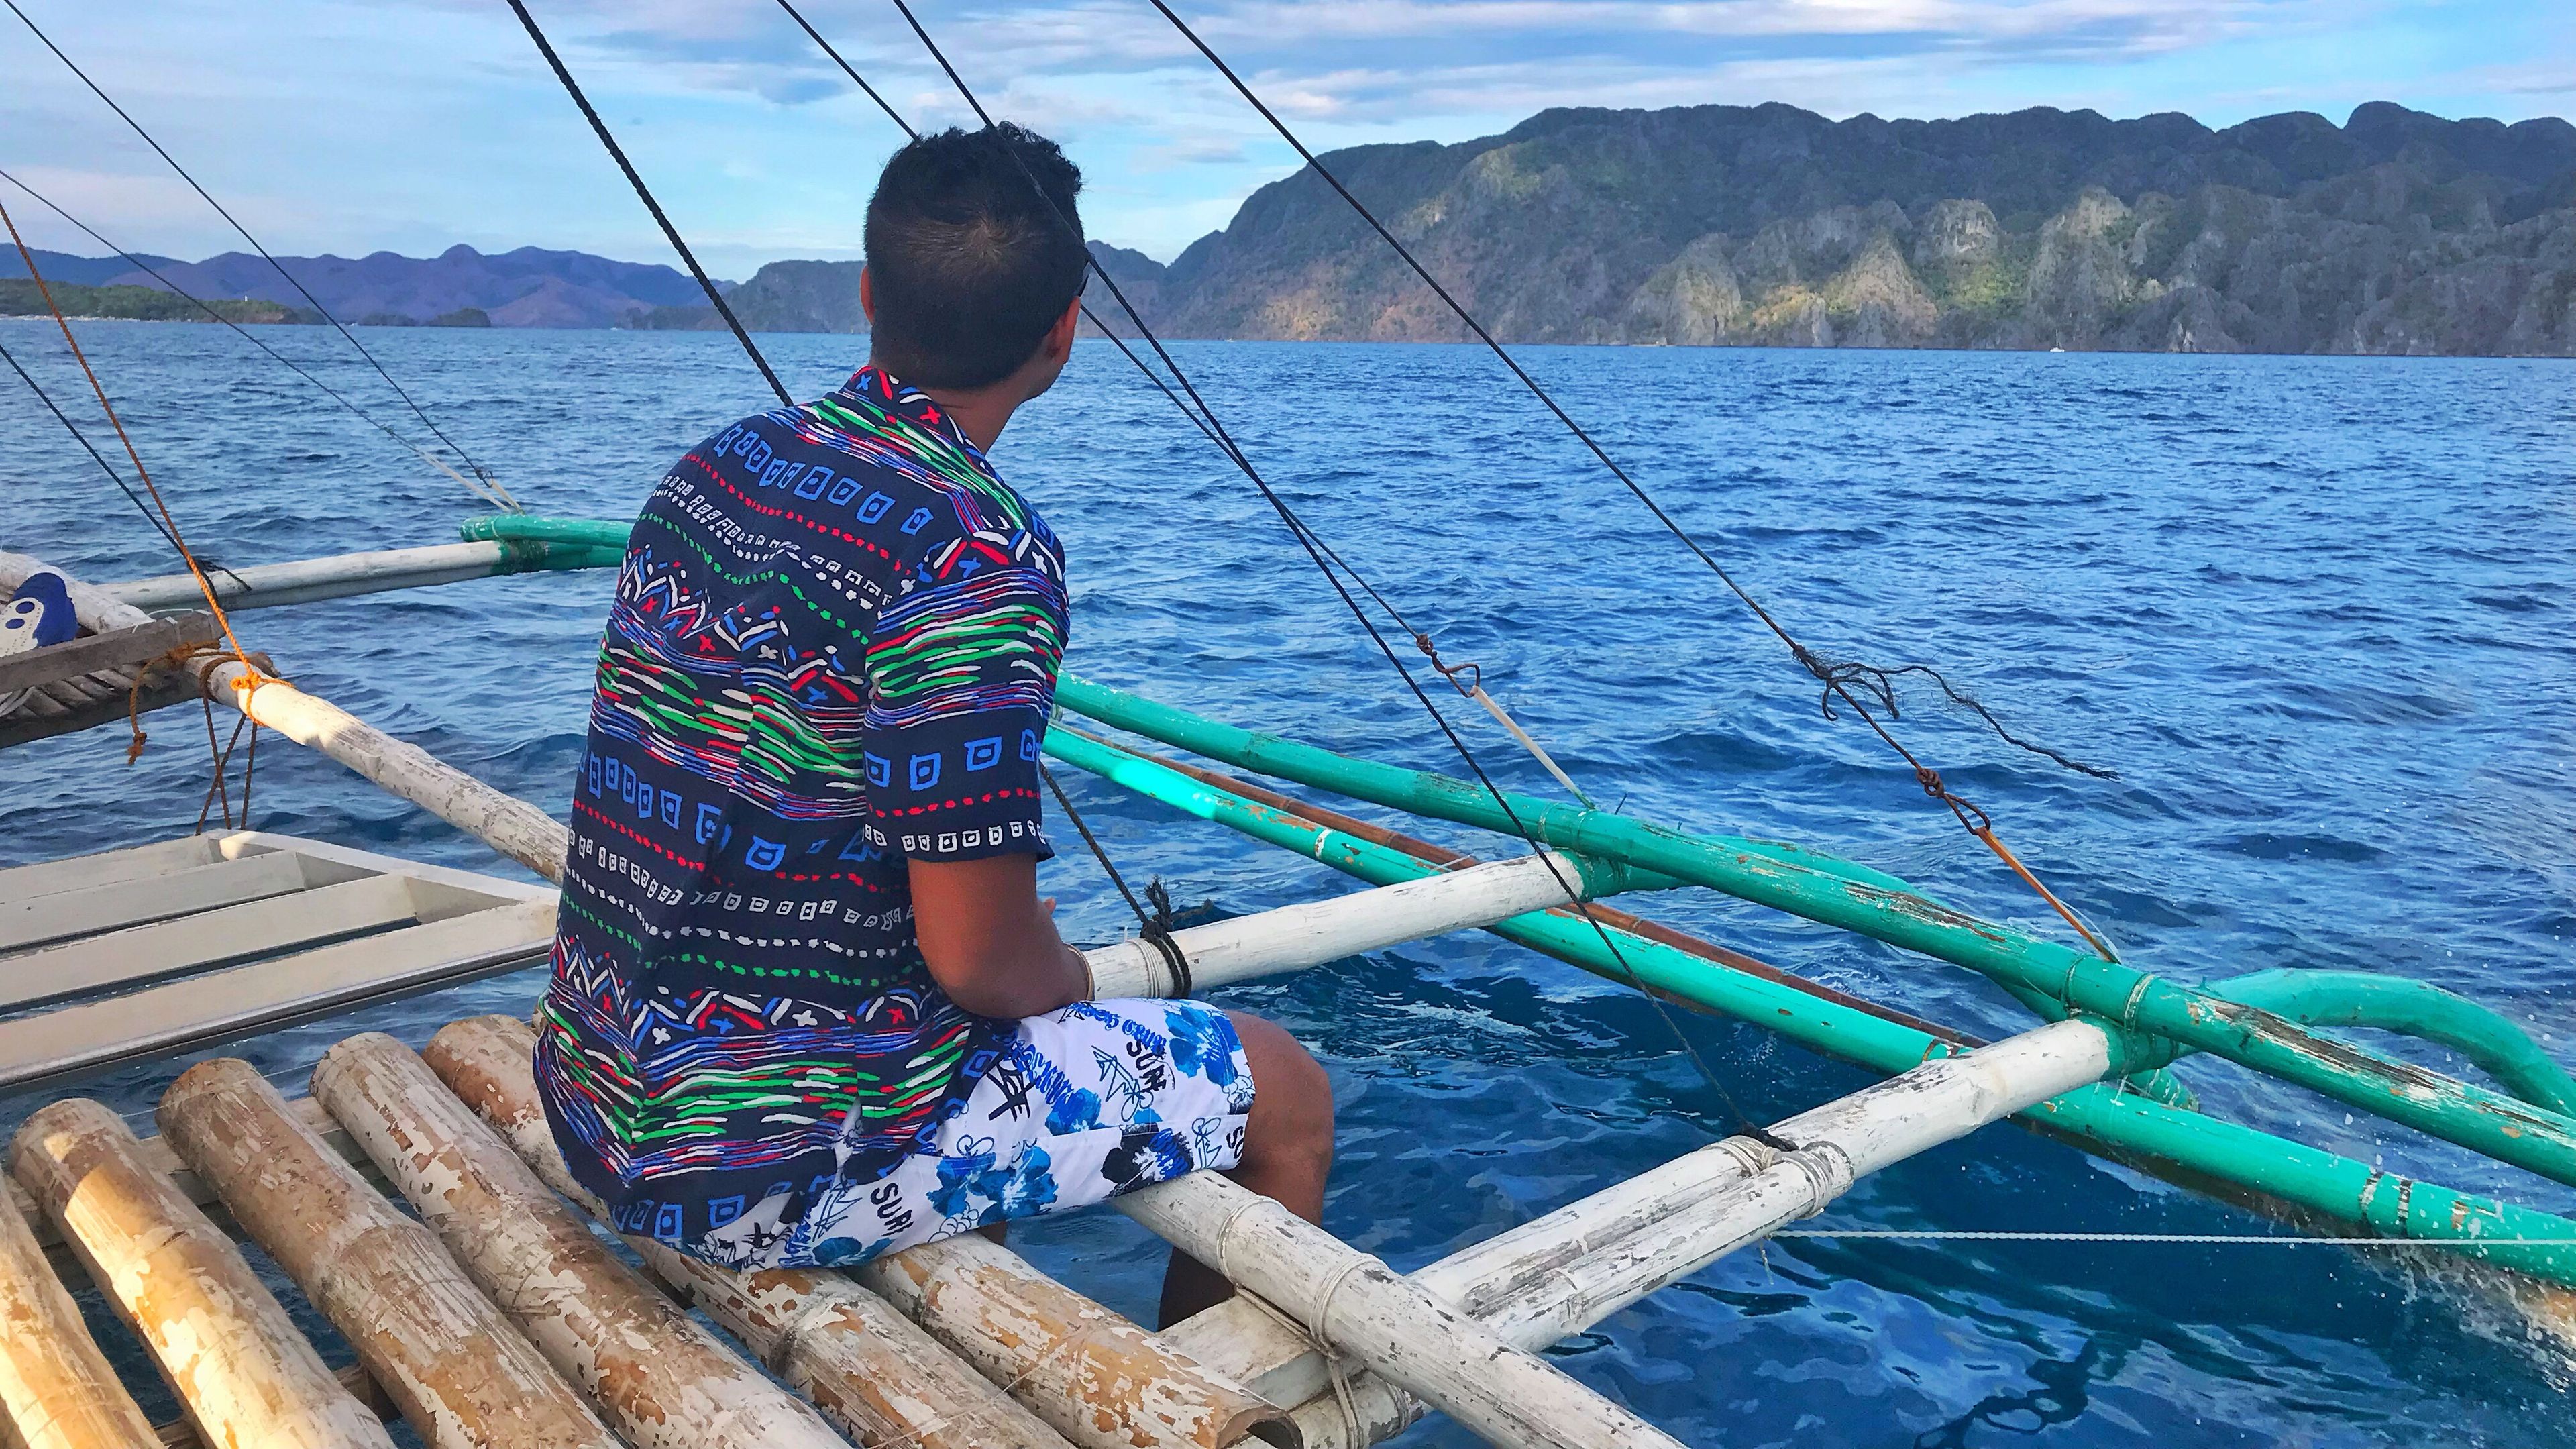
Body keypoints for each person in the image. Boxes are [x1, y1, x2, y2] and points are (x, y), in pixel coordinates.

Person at [532, 123, 1332, 1326]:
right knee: (1286, 1096)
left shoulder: (714, 468)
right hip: (750, 1171)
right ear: (1064, 334)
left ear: (867, 295)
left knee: (973, 1033)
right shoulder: (977, 553)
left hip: (595, 1089)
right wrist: (1056, 969)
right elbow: (980, 964)